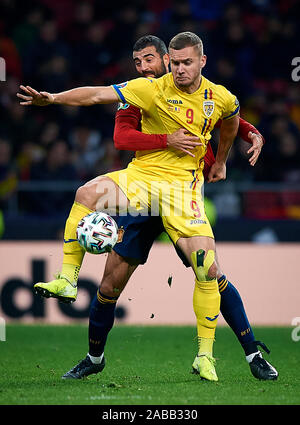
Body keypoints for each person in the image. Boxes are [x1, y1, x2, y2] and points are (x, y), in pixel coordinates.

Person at [17, 32, 276, 382]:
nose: (144, 68)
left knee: (211, 272)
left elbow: (224, 111)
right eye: (138, 62)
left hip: (183, 191)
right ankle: (90, 345)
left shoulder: (209, 93)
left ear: (169, 60)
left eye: (150, 60)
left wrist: (242, 141)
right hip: (142, 191)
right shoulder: (142, 91)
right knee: (108, 284)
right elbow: (115, 128)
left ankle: (249, 354)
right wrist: (54, 99)